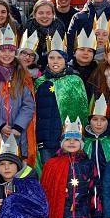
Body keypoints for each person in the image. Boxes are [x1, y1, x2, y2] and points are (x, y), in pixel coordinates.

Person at [0, 25, 37, 181]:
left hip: (18, 134)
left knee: (18, 173)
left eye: (10, 50)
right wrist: (1, 125)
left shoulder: (22, 74)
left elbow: (28, 104)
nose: (7, 54)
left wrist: (18, 126)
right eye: (3, 50)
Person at [41, 118, 106, 218]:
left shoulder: (88, 164)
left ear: (81, 143)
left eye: (76, 139)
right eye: (68, 139)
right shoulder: (52, 164)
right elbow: (45, 193)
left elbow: (95, 192)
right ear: (62, 143)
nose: (72, 142)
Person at [34, 33, 89, 170]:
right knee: (49, 173)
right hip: (45, 139)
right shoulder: (40, 83)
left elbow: (82, 110)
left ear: (65, 60)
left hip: (68, 138)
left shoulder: (74, 81)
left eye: (59, 58)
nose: (55, 61)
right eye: (51, 58)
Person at [83, 95, 110, 180]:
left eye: (103, 120)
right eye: (95, 119)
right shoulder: (82, 142)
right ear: (89, 121)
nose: (99, 124)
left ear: (108, 122)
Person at [23, 0, 66, 64]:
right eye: (40, 13)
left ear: (53, 15)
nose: (45, 16)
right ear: (35, 14)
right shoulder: (27, 27)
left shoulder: (60, 27)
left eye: (48, 13)